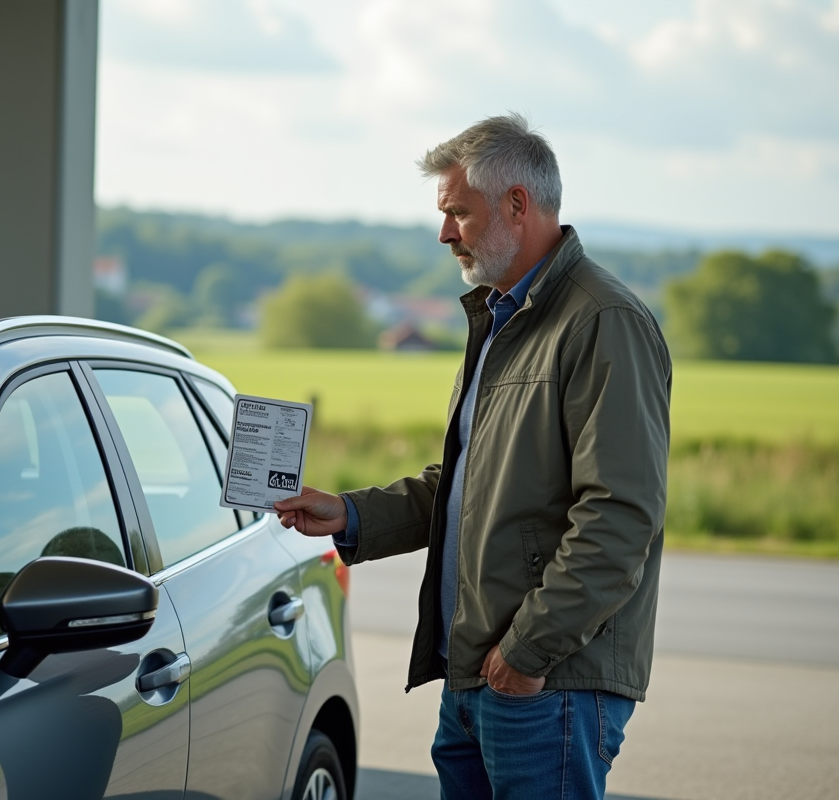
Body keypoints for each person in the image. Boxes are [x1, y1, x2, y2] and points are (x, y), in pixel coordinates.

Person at [275, 112, 671, 800]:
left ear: (517, 205)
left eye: (459, 211)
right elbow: (464, 484)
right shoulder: (498, 320)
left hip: (545, 684)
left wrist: (525, 654)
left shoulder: (604, 321)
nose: (444, 232)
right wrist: (348, 514)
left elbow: (619, 517)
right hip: (477, 676)